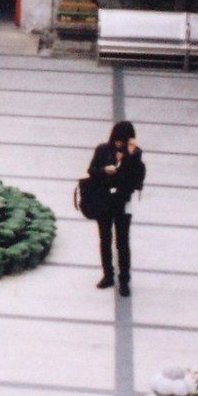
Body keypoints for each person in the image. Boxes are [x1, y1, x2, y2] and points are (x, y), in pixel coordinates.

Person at [79, 121, 147, 295]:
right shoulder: (103, 149)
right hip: (103, 200)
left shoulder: (135, 154)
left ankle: (124, 279)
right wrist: (104, 170)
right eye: (117, 140)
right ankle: (108, 274)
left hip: (122, 202)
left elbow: (137, 179)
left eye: (122, 141)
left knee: (122, 243)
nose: (119, 144)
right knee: (105, 239)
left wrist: (131, 157)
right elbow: (91, 170)